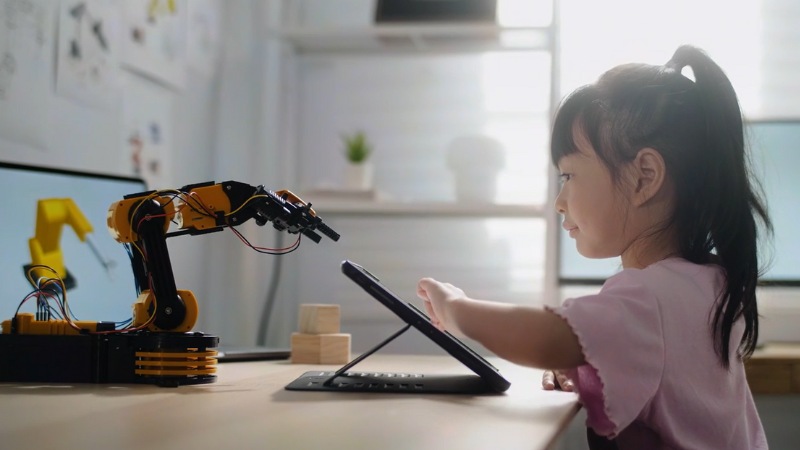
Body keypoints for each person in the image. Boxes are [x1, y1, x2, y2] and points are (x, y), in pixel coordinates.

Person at [416, 45, 771, 449]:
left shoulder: (647, 298)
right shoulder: (711, 280)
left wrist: (454, 306)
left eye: (568, 175)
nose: (559, 201)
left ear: (644, 177)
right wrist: (592, 365)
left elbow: (546, 337)